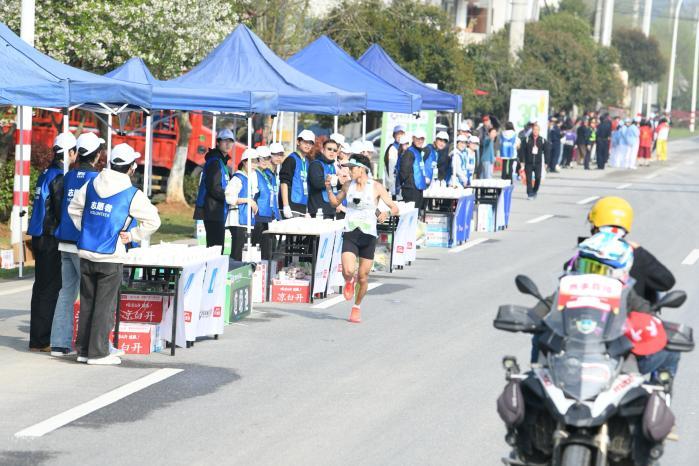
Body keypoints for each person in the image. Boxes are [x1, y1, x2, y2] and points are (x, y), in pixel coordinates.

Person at [68, 143, 160, 365]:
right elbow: (153, 221)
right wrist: (133, 235)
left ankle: (83, 350)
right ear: (131, 167)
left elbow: (73, 209)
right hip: (111, 256)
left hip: (87, 252)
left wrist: (88, 229)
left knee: (88, 303)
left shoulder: (91, 184)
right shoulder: (132, 194)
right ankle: (98, 353)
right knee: (105, 306)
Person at [325, 154, 399, 323]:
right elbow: (335, 203)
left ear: (362, 169)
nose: (350, 171)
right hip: (351, 232)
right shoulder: (348, 185)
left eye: (352, 168)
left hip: (368, 236)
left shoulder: (376, 187)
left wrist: (386, 213)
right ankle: (349, 281)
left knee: (363, 276)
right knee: (348, 271)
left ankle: (356, 307)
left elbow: (395, 208)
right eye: (349, 168)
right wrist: (328, 189)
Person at [50, 132, 102, 356]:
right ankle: (87, 347)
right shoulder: (97, 179)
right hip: (84, 244)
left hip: (64, 241)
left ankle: (59, 344)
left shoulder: (68, 175)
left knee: (66, 293)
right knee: (90, 294)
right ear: (97, 155)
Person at [27, 132, 77, 352]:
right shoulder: (59, 176)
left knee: (40, 288)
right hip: (50, 237)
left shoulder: (45, 172)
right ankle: (42, 339)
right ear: (70, 152)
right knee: (50, 289)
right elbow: (60, 210)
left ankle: (37, 339)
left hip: (39, 235)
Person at [194, 128, 234, 247]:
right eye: (225, 141)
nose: (228, 144)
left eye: (230, 141)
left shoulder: (221, 161)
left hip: (218, 209)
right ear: (218, 142)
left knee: (217, 247)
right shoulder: (215, 162)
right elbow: (214, 188)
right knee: (215, 248)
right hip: (213, 210)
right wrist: (230, 198)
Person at [225, 148, 259, 261]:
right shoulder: (237, 178)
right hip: (237, 220)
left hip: (247, 220)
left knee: (244, 254)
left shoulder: (250, 178)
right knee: (237, 253)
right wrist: (248, 200)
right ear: (244, 162)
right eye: (252, 161)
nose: (254, 165)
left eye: (256, 162)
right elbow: (229, 198)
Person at [251, 146, 279, 260]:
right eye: (261, 158)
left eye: (267, 158)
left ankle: (264, 269)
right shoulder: (254, 173)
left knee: (266, 251)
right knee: (255, 249)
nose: (264, 161)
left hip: (266, 216)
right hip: (257, 216)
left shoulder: (266, 174)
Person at [280, 129, 314, 218]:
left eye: (310, 143)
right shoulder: (291, 160)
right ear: (298, 142)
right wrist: (286, 205)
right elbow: (284, 182)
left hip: (303, 207)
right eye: (305, 142)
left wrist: (307, 209)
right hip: (291, 207)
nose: (308, 145)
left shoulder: (308, 162)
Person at [308, 139, 342, 219]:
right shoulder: (316, 164)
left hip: (331, 210)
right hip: (318, 211)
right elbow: (317, 183)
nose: (332, 152)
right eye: (329, 149)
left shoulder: (332, 166)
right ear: (323, 150)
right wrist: (337, 181)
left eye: (335, 150)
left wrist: (342, 183)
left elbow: (334, 187)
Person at [397, 129, 428, 207]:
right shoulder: (409, 152)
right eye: (418, 138)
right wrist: (407, 184)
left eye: (422, 139)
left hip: (418, 188)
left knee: (417, 211)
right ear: (413, 138)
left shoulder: (418, 152)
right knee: (411, 211)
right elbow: (403, 172)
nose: (420, 141)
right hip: (410, 189)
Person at [522, 124, 547, 200]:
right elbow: (522, 151)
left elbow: (547, 151)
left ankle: (535, 190)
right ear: (532, 130)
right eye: (534, 130)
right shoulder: (527, 139)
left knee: (538, 178)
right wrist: (522, 161)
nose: (535, 131)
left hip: (538, 163)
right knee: (528, 179)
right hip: (528, 163)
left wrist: (546, 162)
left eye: (537, 130)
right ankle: (530, 193)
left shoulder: (542, 140)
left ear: (539, 131)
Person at [383, 125, 405, 197]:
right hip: (395, 186)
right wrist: (392, 189)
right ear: (394, 135)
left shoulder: (404, 148)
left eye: (401, 134)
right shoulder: (392, 149)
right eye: (397, 134)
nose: (400, 136)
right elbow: (391, 171)